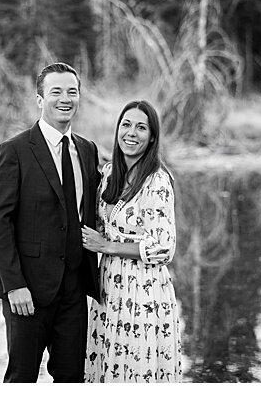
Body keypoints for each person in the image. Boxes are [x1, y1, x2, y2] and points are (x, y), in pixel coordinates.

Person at [0, 62, 102, 382]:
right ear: (40, 100)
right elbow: (0, 222)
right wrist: (15, 286)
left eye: (72, 91)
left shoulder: (87, 150)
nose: (65, 98)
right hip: (27, 290)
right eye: (56, 92)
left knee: (72, 378)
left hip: (74, 291)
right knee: (22, 378)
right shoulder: (13, 151)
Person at [81, 101, 183, 382]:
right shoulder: (109, 175)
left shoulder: (157, 181)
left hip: (143, 289)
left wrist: (108, 247)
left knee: (137, 369)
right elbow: (99, 227)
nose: (131, 133)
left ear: (152, 137)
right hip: (110, 289)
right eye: (126, 125)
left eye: (141, 127)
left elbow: (164, 247)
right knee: (109, 367)